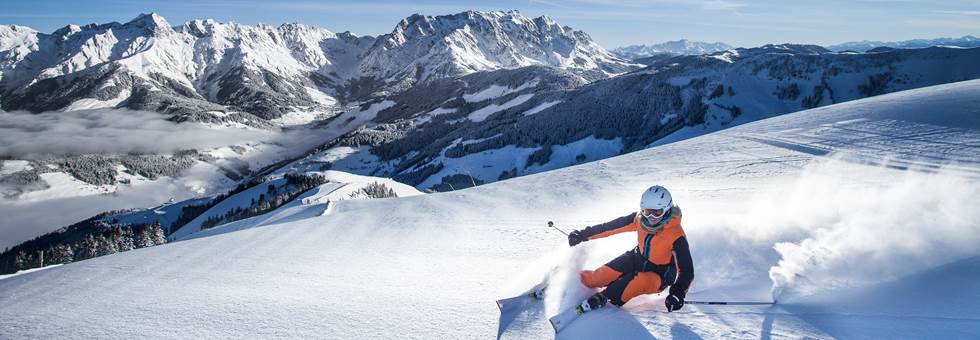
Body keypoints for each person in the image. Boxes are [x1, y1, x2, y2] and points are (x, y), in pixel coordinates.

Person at [567, 185, 694, 312]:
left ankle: (605, 298)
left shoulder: (676, 235)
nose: (650, 217)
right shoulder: (639, 220)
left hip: (660, 275)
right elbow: (610, 227)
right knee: (597, 278)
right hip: (637, 258)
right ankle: (572, 279)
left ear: (666, 210)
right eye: (646, 211)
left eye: (657, 213)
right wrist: (583, 235)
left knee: (636, 281)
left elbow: (686, 270)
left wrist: (678, 293)